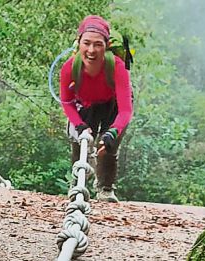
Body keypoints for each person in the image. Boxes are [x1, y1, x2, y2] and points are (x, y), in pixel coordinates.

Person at [60, 15, 133, 202]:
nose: (91, 50)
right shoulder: (70, 68)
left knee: (108, 147)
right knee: (79, 142)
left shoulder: (117, 67)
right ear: (79, 43)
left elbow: (125, 110)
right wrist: (79, 126)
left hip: (113, 105)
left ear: (107, 46)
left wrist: (113, 132)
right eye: (87, 43)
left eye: (98, 44)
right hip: (86, 104)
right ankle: (78, 184)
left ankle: (105, 189)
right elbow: (67, 101)